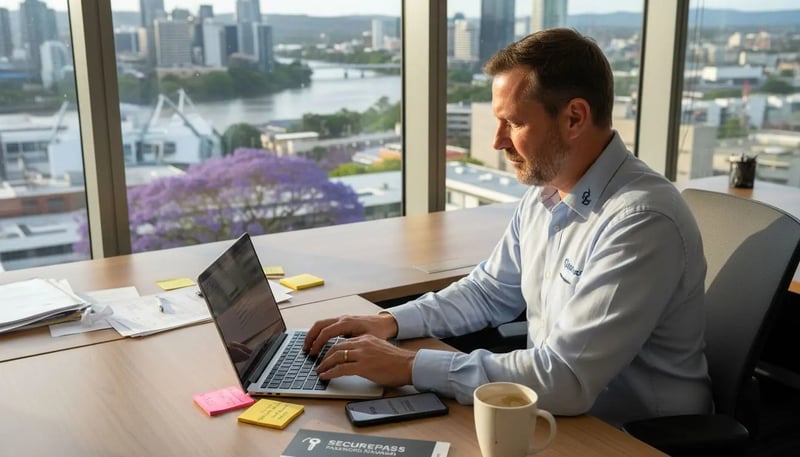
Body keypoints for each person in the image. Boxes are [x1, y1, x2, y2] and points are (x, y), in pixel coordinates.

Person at [303, 28, 712, 427]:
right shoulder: (546, 193)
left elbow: (566, 378)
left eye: (512, 123)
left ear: (574, 117)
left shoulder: (640, 221)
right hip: (556, 416)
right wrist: (390, 323)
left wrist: (409, 365)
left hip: (632, 435)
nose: (498, 142)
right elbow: (488, 292)